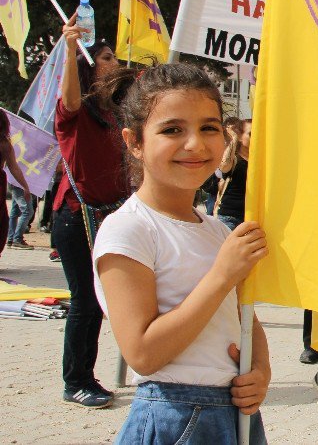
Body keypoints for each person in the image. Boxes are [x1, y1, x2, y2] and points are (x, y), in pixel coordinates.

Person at [93, 64, 270, 443]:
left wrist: (260, 371)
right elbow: (142, 353)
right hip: (176, 417)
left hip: (235, 417)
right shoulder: (129, 229)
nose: (195, 144)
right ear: (134, 141)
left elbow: (245, 319)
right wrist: (222, 274)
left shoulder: (217, 230)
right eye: (172, 130)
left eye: (209, 127)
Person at [52, 18, 130, 408]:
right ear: (89, 64)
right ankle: (76, 380)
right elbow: (69, 97)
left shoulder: (113, 113)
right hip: (75, 218)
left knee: (102, 300)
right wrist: (69, 50)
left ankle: (91, 372)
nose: (114, 62)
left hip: (111, 219)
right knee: (85, 300)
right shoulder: (75, 111)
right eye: (106, 57)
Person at [0, 113, 33, 258]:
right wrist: (25, 186)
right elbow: (13, 167)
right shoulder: (4, 143)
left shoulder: (5, 144)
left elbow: (13, 167)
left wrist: (25, 186)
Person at [215, 119, 251, 231]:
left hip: (251, 217)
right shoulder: (234, 159)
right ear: (240, 136)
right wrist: (233, 138)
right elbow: (224, 166)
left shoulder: (259, 162)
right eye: (251, 134)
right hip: (230, 218)